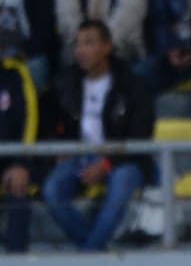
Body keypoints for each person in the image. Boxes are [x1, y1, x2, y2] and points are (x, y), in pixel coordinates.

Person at [40, 21, 154, 251]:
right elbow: (46, 122)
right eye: (78, 44)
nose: (80, 50)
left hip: (122, 160)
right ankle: (95, 249)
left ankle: (89, 251)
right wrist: (59, 147)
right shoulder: (64, 82)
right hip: (78, 156)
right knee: (52, 190)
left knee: (122, 183)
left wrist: (106, 163)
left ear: (107, 47)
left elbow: (141, 134)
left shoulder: (131, 84)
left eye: (89, 43)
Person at [0, 50, 36, 253]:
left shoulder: (16, 73)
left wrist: (21, 163)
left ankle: (16, 263)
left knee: (19, 188)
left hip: (11, 162)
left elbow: (29, 118)